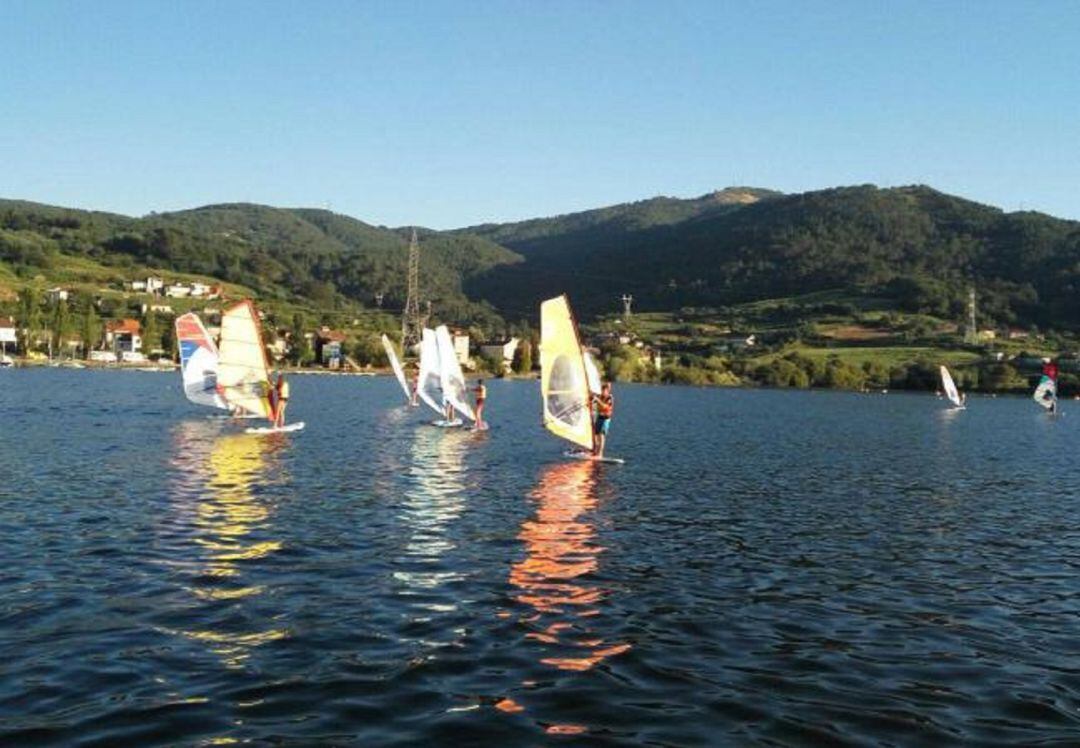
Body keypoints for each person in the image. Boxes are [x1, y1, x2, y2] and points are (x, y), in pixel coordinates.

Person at [591, 382, 614, 458]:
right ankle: (595, 451)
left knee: (601, 436)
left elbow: (605, 407)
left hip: (605, 419)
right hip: (599, 417)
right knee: (596, 434)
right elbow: (593, 401)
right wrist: (591, 399)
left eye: (605, 391)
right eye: (602, 391)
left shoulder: (610, 398)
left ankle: (600, 454)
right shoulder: (600, 396)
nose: (603, 392)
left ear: (607, 391)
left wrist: (597, 400)